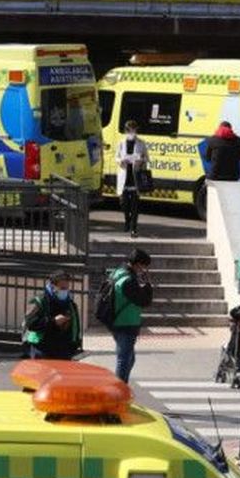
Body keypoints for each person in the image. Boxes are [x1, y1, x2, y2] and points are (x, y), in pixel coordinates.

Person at [108, 248, 154, 384]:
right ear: (138, 264)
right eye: (144, 266)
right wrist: (148, 285)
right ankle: (119, 391)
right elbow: (144, 301)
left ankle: (121, 387)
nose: (144, 270)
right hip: (126, 323)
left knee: (129, 358)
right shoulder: (128, 280)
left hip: (117, 320)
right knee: (124, 359)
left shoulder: (118, 272)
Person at [23, 269, 82, 360]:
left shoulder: (70, 304)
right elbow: (31, 324)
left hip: (63, 352)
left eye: (67, 288)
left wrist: (73, 347)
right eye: (62, 288)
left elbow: (75, 328)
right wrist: (53, 321)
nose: (65, 291)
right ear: (52, 286)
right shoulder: (39, 301)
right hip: (42, 350)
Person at [114, 121, 150, 238]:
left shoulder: (141, 143)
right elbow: (116, 157)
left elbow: (146, 158)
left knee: (135, 205)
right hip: (125, 175)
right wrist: (121, 161)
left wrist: (141, 160)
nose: (132, 133)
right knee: (124, 203)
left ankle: (133, 228)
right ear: (126, 131)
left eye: (134, 130)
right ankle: (127, 220)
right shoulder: (121, 143)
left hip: (135, 177)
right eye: (130, 130)